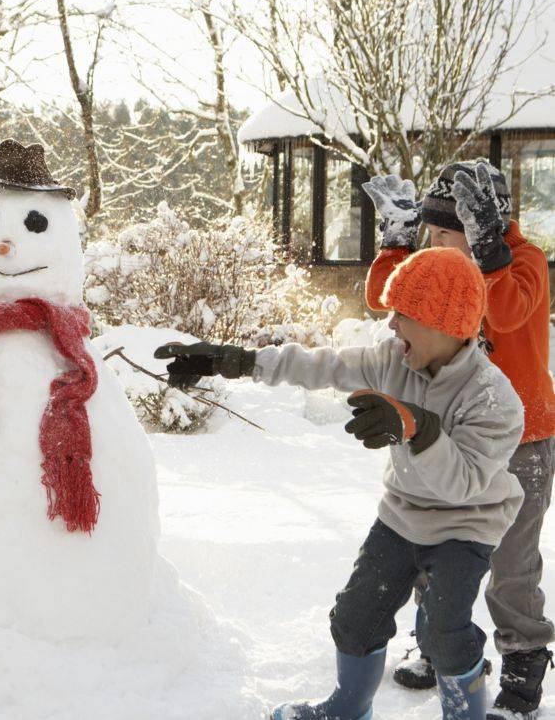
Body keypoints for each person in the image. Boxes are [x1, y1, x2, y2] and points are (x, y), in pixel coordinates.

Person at [157, 247, 524, 720]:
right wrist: (237, 361)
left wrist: (416, 426)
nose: (390, 325)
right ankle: (346, 710)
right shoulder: (394, 360)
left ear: (444, 324)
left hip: (466, 525)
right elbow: (322, 365)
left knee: (444, 634)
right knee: (353, 619)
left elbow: (465, 484)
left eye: (402, 314)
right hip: (402, 515)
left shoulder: (494, 399)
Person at [364, 161, 555, 718]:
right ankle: (438, 642)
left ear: (486, 224)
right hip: (445, 436)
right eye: (431, 234)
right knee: (434, 539)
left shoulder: (523, 262)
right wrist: (397, 245)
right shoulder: (442, 267)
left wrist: (490, 250)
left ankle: (523, 661)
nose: (438, 247)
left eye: (450, 234)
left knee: (512, 561)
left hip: (521, 441)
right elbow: (385, 298)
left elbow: (507, 308)